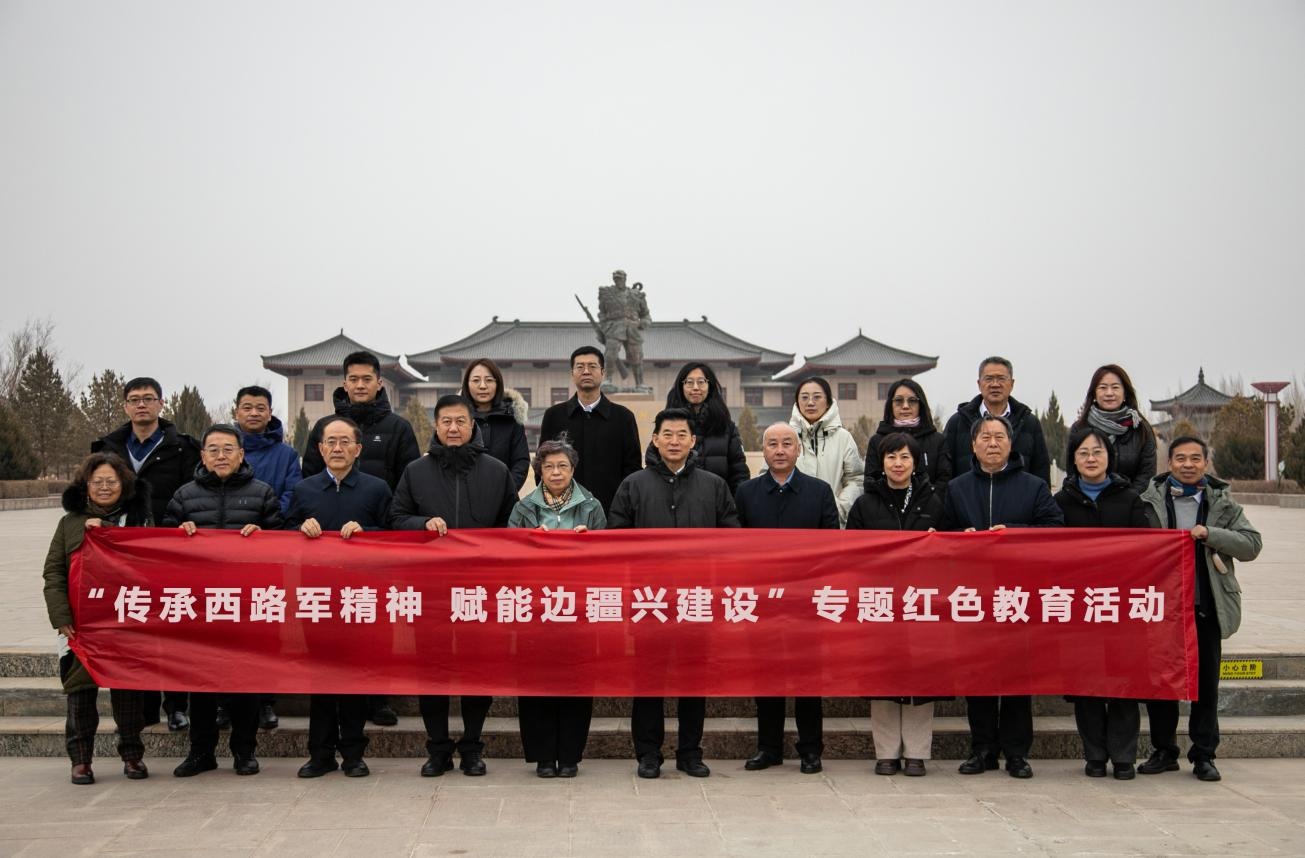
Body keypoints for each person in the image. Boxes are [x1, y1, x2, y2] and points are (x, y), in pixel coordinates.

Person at [609, 407, 741, 779]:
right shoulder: (633, 484)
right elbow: (615, 540)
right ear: (654, 439)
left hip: (696, 599)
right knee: (647, 681)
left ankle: (690, 752)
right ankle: (648, 753)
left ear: (693, 441)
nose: (674, 441)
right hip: (648, 600)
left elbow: (732, 538)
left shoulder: (713, 485)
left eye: (682, 434)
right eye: (667, 434)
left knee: (693, 681)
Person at [390, 394, 517, 778]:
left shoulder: (496, 471)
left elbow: (512, 525)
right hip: (431, 590)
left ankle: (473, 747)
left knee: (478, 672)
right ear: (436, 426)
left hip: (480, 589)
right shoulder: (416, 471)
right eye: (446, 421)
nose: (453, 428)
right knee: (432, 672)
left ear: (472, 425)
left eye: (461, 421)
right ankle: (438, 748)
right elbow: (396, 517)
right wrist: (422, 524)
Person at [300, 350, 420, 727]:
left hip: (376, 541)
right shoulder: (324, 427)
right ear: (344, 383)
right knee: (327, 625)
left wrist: (383, 525)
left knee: (375, 623)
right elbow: (308, 481)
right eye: (353, 379)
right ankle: (329, 695)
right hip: (326, 551)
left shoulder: (398, 428)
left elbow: (409, 482)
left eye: (367, 379)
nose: (360, 385)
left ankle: (377, 698)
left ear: (379, 383)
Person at [942, 414, 1064, 779]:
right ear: (973, 445)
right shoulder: (957, 487)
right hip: (973, 595)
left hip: (1017, 594)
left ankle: (1016, 753)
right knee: (977, 676)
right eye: (985, 437)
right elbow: (942, 533)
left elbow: (1054, 530)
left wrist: (1013, 533)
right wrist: (959, 538)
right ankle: (982, 750)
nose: (992, 443)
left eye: (999, 437)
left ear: (1011, 444)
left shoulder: (1034, 487)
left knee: (1016, 677)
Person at [1138, 436, 1262, 782]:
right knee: (1161, 684)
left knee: (1206, 685)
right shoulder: (1148, 502)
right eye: (1180, 458)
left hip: (1205, 606)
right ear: (1169, 464)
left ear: (1206, 463)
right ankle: (1164, 750)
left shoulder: (1223, 503)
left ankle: (1204, 754)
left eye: (1195, 458)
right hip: (1161, 608)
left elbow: (1252, 545)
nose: (1188, 464)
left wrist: (1212, 534)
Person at [164, 424, 284, 778]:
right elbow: (162, 547)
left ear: (241, 454)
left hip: (247, 604)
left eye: (228, 449)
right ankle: (201, 753)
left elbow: (283, 542)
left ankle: (245, 752)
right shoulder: (184, 496)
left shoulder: (262, 493)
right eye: (213, 449)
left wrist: (264, 536)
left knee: (246, 683)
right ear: (202, 456)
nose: (221, 456)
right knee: (200, 685)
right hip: (200, 605)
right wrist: (177, 534)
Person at [285, 416, 393, 779]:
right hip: (316, 596)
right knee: (320, 679)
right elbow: (281, 533)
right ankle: (320, 754)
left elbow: (393, 533)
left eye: (345, 442)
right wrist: (299, 528)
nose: (337, 448)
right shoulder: (304, 490)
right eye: (330, 442)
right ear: (319, 449)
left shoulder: (376, 489)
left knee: (355, 678)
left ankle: (353, 754)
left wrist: (368, 532)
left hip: (361, 596)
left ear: (358, 449)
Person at [91, 376, 201, 731]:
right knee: (136, 627)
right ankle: (145, 706)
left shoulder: (182, 448)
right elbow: (91, 491)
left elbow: (193, 493)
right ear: (125, 406)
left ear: (161, 404)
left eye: (149, 398)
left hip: (170, 550)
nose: (142, 404)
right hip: (122, 554)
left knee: (173, 626)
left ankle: (177, 705)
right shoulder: (108, 448)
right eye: (135, 399)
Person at [734, 423, 838, 774]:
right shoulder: (746, 493)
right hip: (762, 603)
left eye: (787, 444)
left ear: (798, 450)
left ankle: (811, 749)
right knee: (767, 677)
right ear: (763, 451)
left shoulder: (819, 492)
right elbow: (736, 549)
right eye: (772, 444)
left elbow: (832, 548)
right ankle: (769, 748)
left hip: (806, 601)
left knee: (808, 679)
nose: (780, 450)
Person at [42, 453, 152, 785]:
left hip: (125, 620)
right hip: (81, 624)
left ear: (124, 484)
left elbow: (146, 563)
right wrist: (61, 616)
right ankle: (80, 760)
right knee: (80, 693)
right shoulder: (69, 523)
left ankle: (132, 756)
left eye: (111, 481)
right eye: (97, 482)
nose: (104, 487)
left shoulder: (138, 520)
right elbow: (54, 573)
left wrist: (106, 531)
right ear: (86, 486)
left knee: (128, 693)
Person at [1054, 425, 1156, 780]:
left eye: (1097, 452)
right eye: (1083, 453)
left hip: (1121, 606)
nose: (1091, 458)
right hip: (1080, 608)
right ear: (1073, 460)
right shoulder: (1061, 502)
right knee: (1087, 684)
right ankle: (1095, 755)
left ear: (1109, 458)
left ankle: (1124, 756)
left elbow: (1148, 550)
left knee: (1125, 683)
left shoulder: (1129, 499)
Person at [847, 432, 948, 777]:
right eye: (891, 457)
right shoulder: (865, 504)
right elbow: (852, 555)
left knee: (921, 676)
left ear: (916, 462)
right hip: (880, 602)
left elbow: (953, 551)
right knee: (883, 676)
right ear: (881, 462)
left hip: (923, 602)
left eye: (905, 457)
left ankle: (917, 753)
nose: (898, 463)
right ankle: (886, 753)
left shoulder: (935, 502)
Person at [508, 436, 607, 778]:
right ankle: (543, 756)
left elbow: (607, 557)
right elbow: (508, 558)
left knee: (576, 682)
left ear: (573, 469)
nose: (555, 472)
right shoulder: (523, 509)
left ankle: (569, 756)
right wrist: (530, 544)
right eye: (548, 466)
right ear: (539, 470)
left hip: (578, 609)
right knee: (536, 684)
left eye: (562, 465)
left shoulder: (591, 507)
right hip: (535, 609)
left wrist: (589, 544)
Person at [233, 384, 302, 730]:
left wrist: (266, 525)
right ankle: (225, 701)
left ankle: (265, 701)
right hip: (226, 553)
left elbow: (292, 493)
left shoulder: (285, 454)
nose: (254, 413)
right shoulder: (223, 446)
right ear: (236, 412)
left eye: (260, 407)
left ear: (270, 412)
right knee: (226, 627)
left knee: (266, 626)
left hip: (268, 548)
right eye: (247, 407)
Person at [539, 346, 642, 513]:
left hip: (612, 511)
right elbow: (542, 465)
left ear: (603, 373)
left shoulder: (623, 417)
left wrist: (623, 508)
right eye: (580, 367)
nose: (586, 371)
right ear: (572, 373)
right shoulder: (554, 416)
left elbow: (633, 468)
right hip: (564, 513)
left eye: (592, 366)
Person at [941, 357, 1051, 485]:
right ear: (979, 384)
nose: (995, 384)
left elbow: (1041, 470)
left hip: (1018, 496)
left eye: (1001, 379)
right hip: (969, 495)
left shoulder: (1029, 422)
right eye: (989, 379)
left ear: (1012, 384)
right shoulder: (958, 422)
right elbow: (945, 471)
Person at [647, 361, 749, 493]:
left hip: (715, 501)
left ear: (710, 386)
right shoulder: (667, 423)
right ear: (681, 387)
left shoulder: (725, 427)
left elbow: (739, 473)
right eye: (689, 382)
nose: (695, 387)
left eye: (701, 382)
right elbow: (653, 463)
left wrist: (733, 502)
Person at [788, 376, 864, 525]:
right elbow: (769, 475)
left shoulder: (843, 438)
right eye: (804, 397)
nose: (810, 402)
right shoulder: (786, 437)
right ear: (797, 402)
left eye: (817, 397)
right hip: (793, 523)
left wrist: (839, 507)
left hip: (833, 522)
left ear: (828, 402)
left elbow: (856, 479)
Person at [1072, 364, 1157, 494]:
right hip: (1088, 500)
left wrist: (1126, 500)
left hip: (1132, 501)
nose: (1109, 393)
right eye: (1103, 387)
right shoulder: (1080, 428)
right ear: (1094, 393)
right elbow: (1072, 470)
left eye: (1115, 387)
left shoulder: (1141, 428)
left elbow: (1147, 473)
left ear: (1125, 393)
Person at [863, 378, 949, 489]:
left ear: (920, 404)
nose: (905, 406)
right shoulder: (877, 441)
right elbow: (871, 481)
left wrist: (927, 499)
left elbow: (944, 481)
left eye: (912, 401)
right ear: (890, 405)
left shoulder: (937, 441)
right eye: (898, 401)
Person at [461, 357, 530, 490]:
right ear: (466, 384)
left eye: (489, 380)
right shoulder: (455, 417)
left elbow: (521, 462)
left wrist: (506, 492)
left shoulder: (512, 418)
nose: (482, 386)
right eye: (476, 380)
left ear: (498, 383)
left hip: (503, 495)